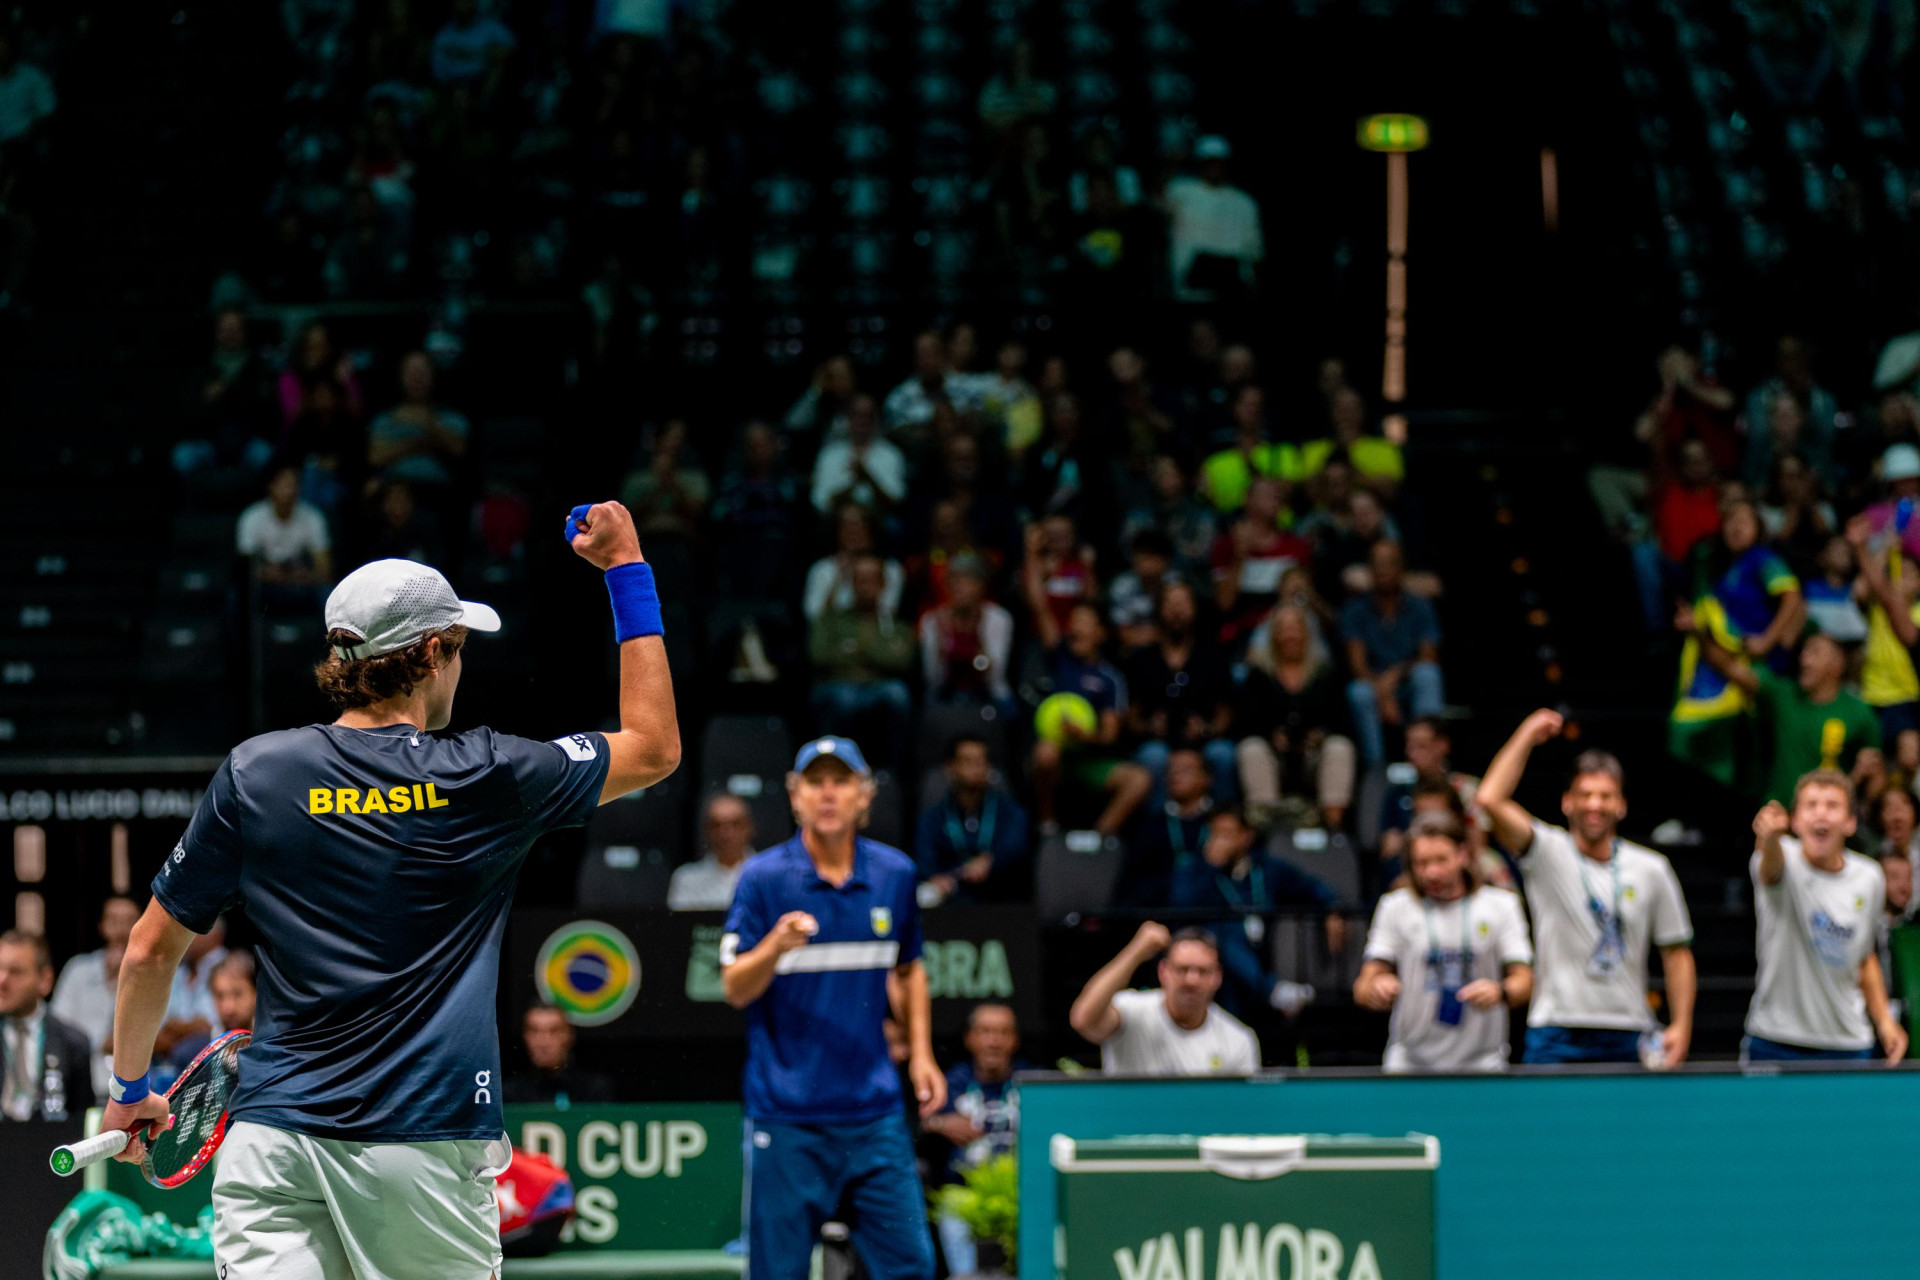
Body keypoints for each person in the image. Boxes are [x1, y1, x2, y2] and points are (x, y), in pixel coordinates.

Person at [100, 502, 680, 1278]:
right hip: (425, 1147)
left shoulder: (256, 773)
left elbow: (147, 951)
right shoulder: (490, 774)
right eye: (462, 648)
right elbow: (655, 748)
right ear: (434, 651)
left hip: (272, 1147)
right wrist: (626, 568)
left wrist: (130, 1088)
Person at [721, 736, 943, 1280]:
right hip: (787, 1119)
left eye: (840, 781)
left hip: (876, 1118)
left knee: (912, 1266)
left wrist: (921, 1055)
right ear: (795, 796)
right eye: (815, 783)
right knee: (778, 1273)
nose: (828, 794)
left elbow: (910, 968)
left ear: (863, 795)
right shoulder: (764, 879)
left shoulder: (895, 874)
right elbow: (734, 987)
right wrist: (772, 947)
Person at [1479, 710, 1696, 1066]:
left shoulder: (1651, 868)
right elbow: (1489, 799)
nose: (1595, 804)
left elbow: (1676, 953)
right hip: (1555, 1029)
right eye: (1585, 794)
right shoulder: (1546, 850)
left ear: (1621, 805)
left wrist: (1682, 1025)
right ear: (1567, 802)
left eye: (1606, 796)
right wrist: (1527, 733)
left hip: (1628, 1029)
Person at [1354, 813, 1533, 1073]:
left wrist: (1500, 992)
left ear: (1462, 855)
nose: (1432, 872)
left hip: (1482, 1064)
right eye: (1421, 863)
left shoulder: (1500, 905)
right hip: (1409, 1063)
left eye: (1441, 860)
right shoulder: (1395, 906)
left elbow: (1524, 980)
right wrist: (1376, 987)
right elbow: (1363, 984)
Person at [1746, 777, 1908, 1063]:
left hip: (1848, 1043)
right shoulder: (1780, 859)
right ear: (1795, 822)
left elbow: (1864, 956)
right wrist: (1768, 837)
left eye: (1832, 805)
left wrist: (1884, 1021)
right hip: (1774, 1040)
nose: (1821, 813)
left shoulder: (1869, 876)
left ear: (1850, 823)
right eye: (1811, 805)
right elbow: (1769, 869)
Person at [1169, 807, 1331, 1017]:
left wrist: (1332, 908)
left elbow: (1310, 887)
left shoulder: (1266, 868)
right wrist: (1210, 868)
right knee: (1222, 933)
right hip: (1214, 957)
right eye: (1214, 834)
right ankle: (1272, 991)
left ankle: (1268, 992)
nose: (1219, 841)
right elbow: (1180, 906)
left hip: (1263, 951)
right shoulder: (1194, 868)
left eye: (1227, 834)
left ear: (1246, 837)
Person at [1699, 630, 1881, 807]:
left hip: (1825, 820)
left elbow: (1876, 778)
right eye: (1804, 651)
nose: (1804, 659)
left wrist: (1857, 779)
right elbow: (1731, 668)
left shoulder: (1859, 713)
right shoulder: (1784, 696)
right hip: (1779, 816)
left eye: (1815, 652)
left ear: (1837, 664)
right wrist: (1699, 633)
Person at [1028, 602, 1153, 838]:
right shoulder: (1059, 659)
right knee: (1046, 752)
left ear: (1100, 633)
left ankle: (1098, 838)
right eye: (1073, 622)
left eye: (1084, 622)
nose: (1076, 628)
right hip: (1057, 757)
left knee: (1139, 780)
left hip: (1090, 760)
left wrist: (1082, 735)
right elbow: (1040, 606)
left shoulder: (1110, 678)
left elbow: (1109, 735)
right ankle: (1047, 825)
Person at [1068, 922, 1259, 1074]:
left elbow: (1241, 1114)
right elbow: (1083, 1020)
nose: (1191, 980)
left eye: (1202, 971)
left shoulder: (1238, 1040)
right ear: (1163, 971)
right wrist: (1136, 951)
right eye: (1182, 969)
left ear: (1217, 977)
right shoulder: (1130, 1010)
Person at [1235, 604, 1356, 831]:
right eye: (1283, 629)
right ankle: (1265, 828)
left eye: (1295, 628)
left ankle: (1333, 825)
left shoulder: (1325, 673)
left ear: (1307, 634)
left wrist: (1322, 735)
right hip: (1274, 757)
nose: (1290, 635)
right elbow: (1244, 724)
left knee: (1340, 747)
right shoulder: (1259, 674)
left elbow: (1343, 722)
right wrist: (1270, 736)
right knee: (1251, 748)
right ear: (1273, 635)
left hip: (1314, 757)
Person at [923, 1004, 1021, 1277]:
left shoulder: (1031, 1083)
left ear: (1015, 1040)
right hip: (964, 1193)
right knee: (952, 1205)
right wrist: (939, 1122)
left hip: (1019, 1192)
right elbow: (918, 1123)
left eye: (1003, 1032)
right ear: (969, 1038)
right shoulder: (949, 1083)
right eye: (986, 1032)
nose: (994, 1041)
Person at [1342, 541, 1444, 764]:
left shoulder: (1421, 607)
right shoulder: (1355, 610)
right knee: (1358, 692)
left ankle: (1431, 760)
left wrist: (1395, 676)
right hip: (1372, 685)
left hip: (1407, 685)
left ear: (1402, 568)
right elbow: (1357, 665)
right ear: (1369, 569)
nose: (1383, 570)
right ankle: (1375, 768)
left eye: (1389, 563)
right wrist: (1383, 693)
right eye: (1377, 564)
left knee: (1428, 674)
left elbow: (1428, 656)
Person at [809, 554, 915, 768]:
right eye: (860, 579)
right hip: (838, 685)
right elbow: (818, 656)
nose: (866, 586)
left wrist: (854, 649)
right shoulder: (830, 620)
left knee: (897, 694)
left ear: (883, 584)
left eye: (872, 579)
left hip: (879, 688)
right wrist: (878, 654)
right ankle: (833, 766)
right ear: (852, 583)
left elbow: (902, 662)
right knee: (844, 699)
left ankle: (892, 770)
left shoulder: (897, 625)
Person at [915, 736, 1030, 905]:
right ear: (950, 768)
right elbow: (925, 861)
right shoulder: (933, 818)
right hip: (951, 903)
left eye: (981, 761)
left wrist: (993, 861)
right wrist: (936, 878)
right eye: (968, 761)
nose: (976, 767)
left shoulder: (1010, 813)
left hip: (999, 899)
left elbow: (1017, 850)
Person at [50, 894, 142, 1098]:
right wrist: (100, 1041)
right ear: (101, 926)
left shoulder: (155, 972)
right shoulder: (78, 969)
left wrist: (125, 979)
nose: (121, 929)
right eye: (113, 920)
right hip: (83, 1084)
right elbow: (57, 1027)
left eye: (129, 921)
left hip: (138, 1087)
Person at [0, 929, 93, 1122]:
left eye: (15, 972)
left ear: (45, 980)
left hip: (49, 1146)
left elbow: (82, 1122)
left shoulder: (73, 1043)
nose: (2, 980)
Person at [1164, 136, 1262, 301]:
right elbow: (1155, 200)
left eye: (1218, 161)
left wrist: (1253, 285)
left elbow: (1254, 250)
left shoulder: (1244, 202)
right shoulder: (1179, 191)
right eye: (1209, 162)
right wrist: (1174, 160)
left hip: (1233, 290)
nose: (1214, 167)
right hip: (1191, 291)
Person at [366, 351, 470, 492]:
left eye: (422, 372)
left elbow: (460, 450)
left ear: (433, 375)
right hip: (396, 490)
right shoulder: (386, 419)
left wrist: (429, 422)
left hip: (440, 490)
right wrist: (416, 445)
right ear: (401, 376)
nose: (417, 378)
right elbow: (375, 457)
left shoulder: (452, 418)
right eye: (411, 373)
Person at [236, 463, 334, 591]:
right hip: (264, 585)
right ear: (271, 486)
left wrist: (293, 576)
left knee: (326, 592)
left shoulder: (313, 517)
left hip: (301, 583)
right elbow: (246, 566)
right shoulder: (252, 517)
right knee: (241, 592)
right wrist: (268, 572)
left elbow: (324, 569)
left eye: (294, 484)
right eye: (284, 485)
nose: (290, 491)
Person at [812, 395, 908, 515]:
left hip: (878, 520)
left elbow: (895, 502)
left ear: (876, 419)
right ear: (847, 418)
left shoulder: (891, 454)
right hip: (837, 520)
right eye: (856, 415)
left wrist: (868, 477)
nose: (862, 421)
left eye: (868, 416)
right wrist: (855, 482)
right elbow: (822, 503)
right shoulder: (829, 455)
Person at [505, 1004, 617, 1106]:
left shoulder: (593, 1089)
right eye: (534, 1031)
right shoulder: (510, 1094)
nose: (543, 1042)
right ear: (525, 1037)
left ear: (570, 1036)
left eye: (554, 1031)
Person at [669, 794, 757, 911]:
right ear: (706, 830)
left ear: (748, 827)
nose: (726, 834)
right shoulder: (686, 879)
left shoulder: (769, 876)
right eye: (717, 825)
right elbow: (680, 926)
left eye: (735, 824)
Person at [208, 949, 257, 1035]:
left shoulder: (278, 1044)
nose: (228, 1008)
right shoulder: (198, 1046)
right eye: (219, 996)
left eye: (237, 994)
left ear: (256, 993)